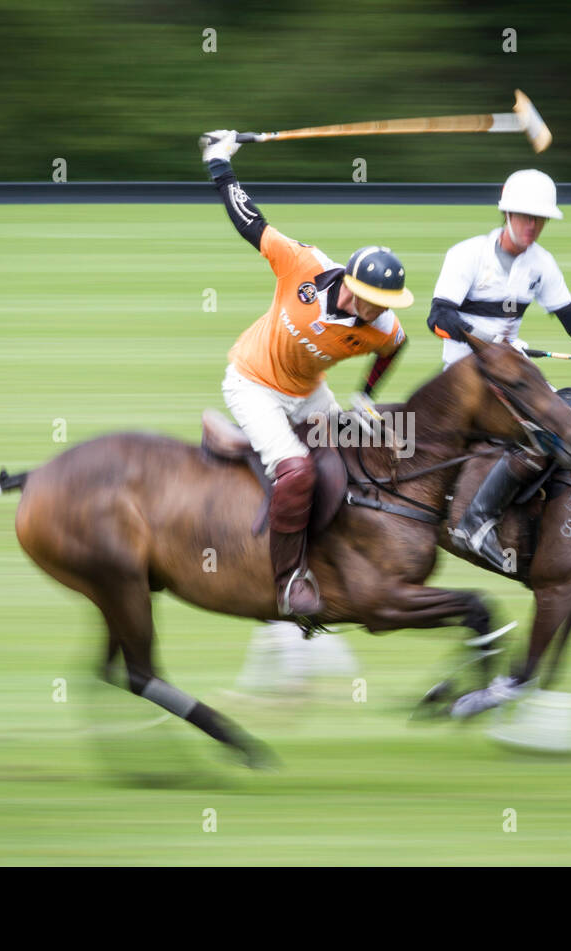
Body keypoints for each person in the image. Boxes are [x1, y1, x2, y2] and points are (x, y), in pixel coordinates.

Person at [200, 129, 412, 619]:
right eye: (374, 300)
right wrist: (219, 162)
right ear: (351, 287)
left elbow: (395, 348)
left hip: (310, 393)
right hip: (254, 384)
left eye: (386, 305)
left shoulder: (383, 327)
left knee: (374, 448)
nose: (378, 312)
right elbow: (249, 221)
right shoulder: (302, 265)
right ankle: (289, 581)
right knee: (296, 471)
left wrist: (365, 396)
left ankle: (345, 552)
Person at [427, 168, 571, 574]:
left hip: (515, 377)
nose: (532, 226)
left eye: (539, 219)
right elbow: (438, 317)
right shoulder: (467, 254)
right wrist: (488, 344)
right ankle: (475, 523)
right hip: (467, 377)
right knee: (545, 429)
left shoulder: (541, 264)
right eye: (526, 217)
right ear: (506, 213)